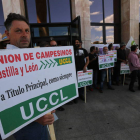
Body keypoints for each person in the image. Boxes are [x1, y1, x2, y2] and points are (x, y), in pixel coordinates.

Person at [1, 13, 55, 140]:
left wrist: (52, 103)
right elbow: (5, 103)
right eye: (18, 31)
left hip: (41, 115)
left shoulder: (32, 57)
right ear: (7, 34)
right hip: (26, 126)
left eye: (27, 31)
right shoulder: (4, 63)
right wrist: (36, 117)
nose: (24, 35)